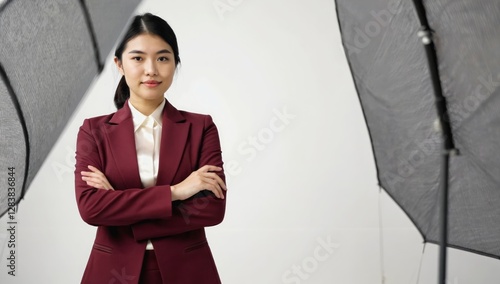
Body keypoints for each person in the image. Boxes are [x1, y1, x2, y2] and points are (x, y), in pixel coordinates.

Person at [74, 13, 227, 284]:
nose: (151, 69)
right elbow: (91, 209)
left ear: (176, 64)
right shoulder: (93, 131)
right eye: (137, 58)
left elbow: (212, 208)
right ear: (119, 64)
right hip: (112, 272)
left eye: (163, 58)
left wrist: (119, 205)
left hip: (188, 272)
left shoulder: (200, 127)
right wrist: (176, 192)